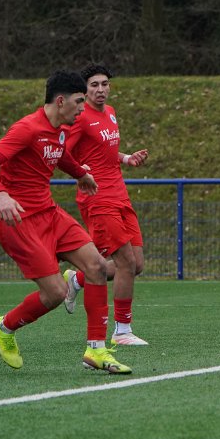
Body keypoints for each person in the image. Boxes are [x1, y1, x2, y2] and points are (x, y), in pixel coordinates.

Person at [0, 70, 132, 374]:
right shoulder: (27, 129)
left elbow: (59, 155)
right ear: (61, 101)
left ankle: (96, 350)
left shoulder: (60, 129)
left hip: (49, 214)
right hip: (20, 221)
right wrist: (1, 196)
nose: (82, 108)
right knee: (56, 294)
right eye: (78, 101)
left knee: (97, 267)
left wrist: (81, 174)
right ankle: (4, 327)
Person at [61, 64, 149, 346]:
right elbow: (61, 152)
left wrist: (126, 158)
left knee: (136, 265)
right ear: (85, 90)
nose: (101, 90)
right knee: (125, 262)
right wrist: (79, 171)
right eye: (94, 85)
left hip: (120, 194)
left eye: (105, 84)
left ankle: (77, 280)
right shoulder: (80, 117)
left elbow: (104, 150)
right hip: (98, 198)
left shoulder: (110, 112)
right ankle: (122, 331)